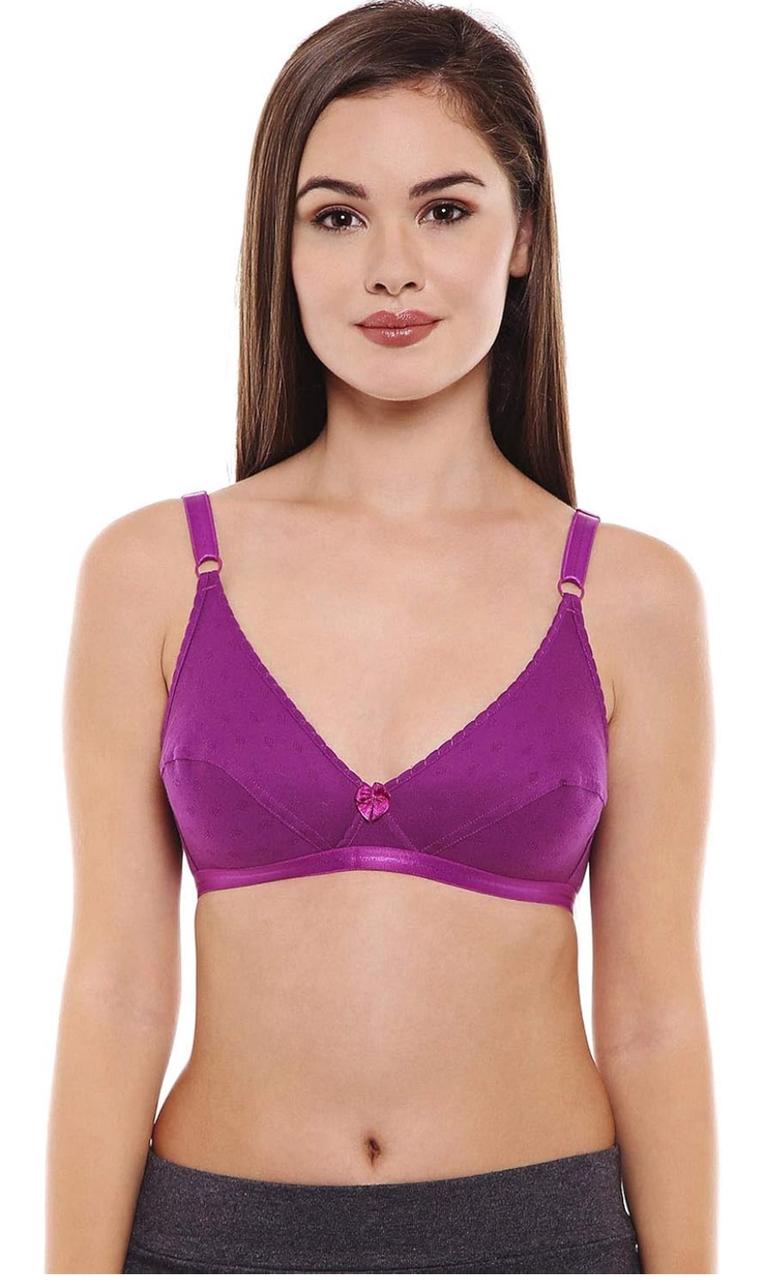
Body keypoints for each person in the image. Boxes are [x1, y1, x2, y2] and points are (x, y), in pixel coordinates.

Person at [45, 1, 717, 1273]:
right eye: (337, 216)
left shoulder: (631, 595)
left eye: (445, 209)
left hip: (540, 1235)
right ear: (282, 245)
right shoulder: (151, 572)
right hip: (215, 1237)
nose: (390, 267)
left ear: (524, 236)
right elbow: (116, 990)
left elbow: (652, 1015)